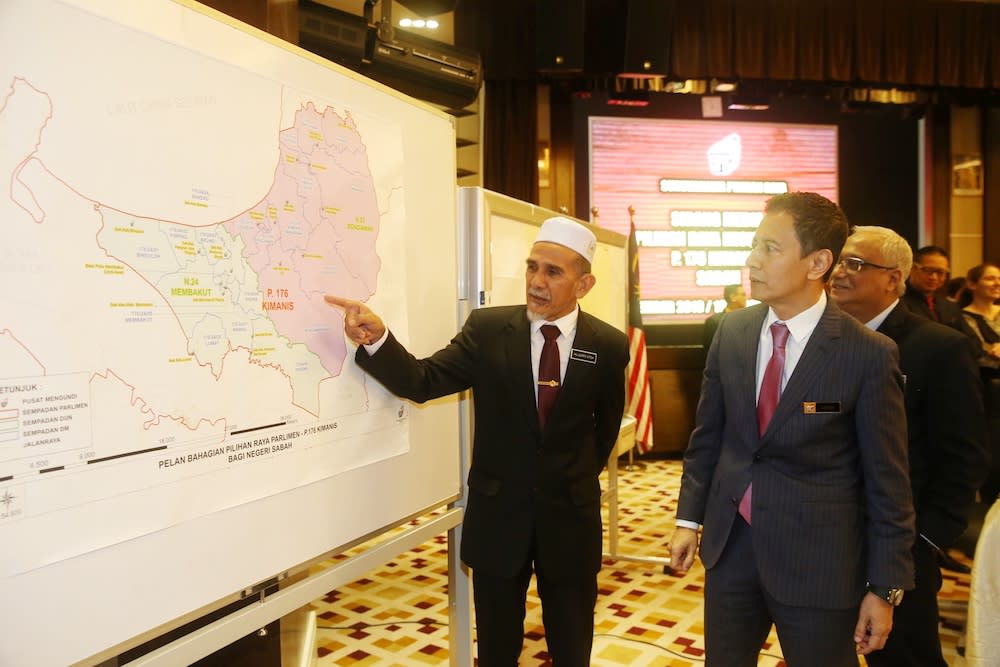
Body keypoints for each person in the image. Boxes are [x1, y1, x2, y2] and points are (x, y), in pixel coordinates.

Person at [325, 216, 629, 666]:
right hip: (499, 522)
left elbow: (603, 430)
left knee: (572, 647)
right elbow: (424, 379)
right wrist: (378, 339)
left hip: (570, 523)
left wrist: (570, 478)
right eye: (532, 267)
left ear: (584, 285)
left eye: (553, 272)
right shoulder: (488, 331)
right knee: (496, 651)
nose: (536, 282)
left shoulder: (607, 344)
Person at [668, 192, 915, 667]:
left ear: (818, 261)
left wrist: (885, 587)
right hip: (730, 551)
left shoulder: (868, 354)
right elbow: (708, 439)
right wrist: (688, 520)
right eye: (754, 246)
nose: (752, 260)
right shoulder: (733, 331)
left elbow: (889, 483)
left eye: (769, 248)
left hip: (818, 563)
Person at [829, 225, 988, 667]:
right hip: (827, 540)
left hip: (900, 546)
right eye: (838, 261)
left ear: (894, 279)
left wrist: (925, 540)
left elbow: (964, 457)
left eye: (855, 264)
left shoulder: (938, 347)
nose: (839, 272)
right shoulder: (820, 340)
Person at [960, 263, 1000, 504]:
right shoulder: (962, 316)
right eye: (990, 279)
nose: (996, 283)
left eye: (999, 279)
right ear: (973, 284)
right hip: (986, 394)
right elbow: (978, 353)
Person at [703, 283, 746, 348]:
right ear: (733, 297)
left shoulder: (749, 320)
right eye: (743, 295)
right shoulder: (714, 322)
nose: (745, 298)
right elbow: (709, 349)